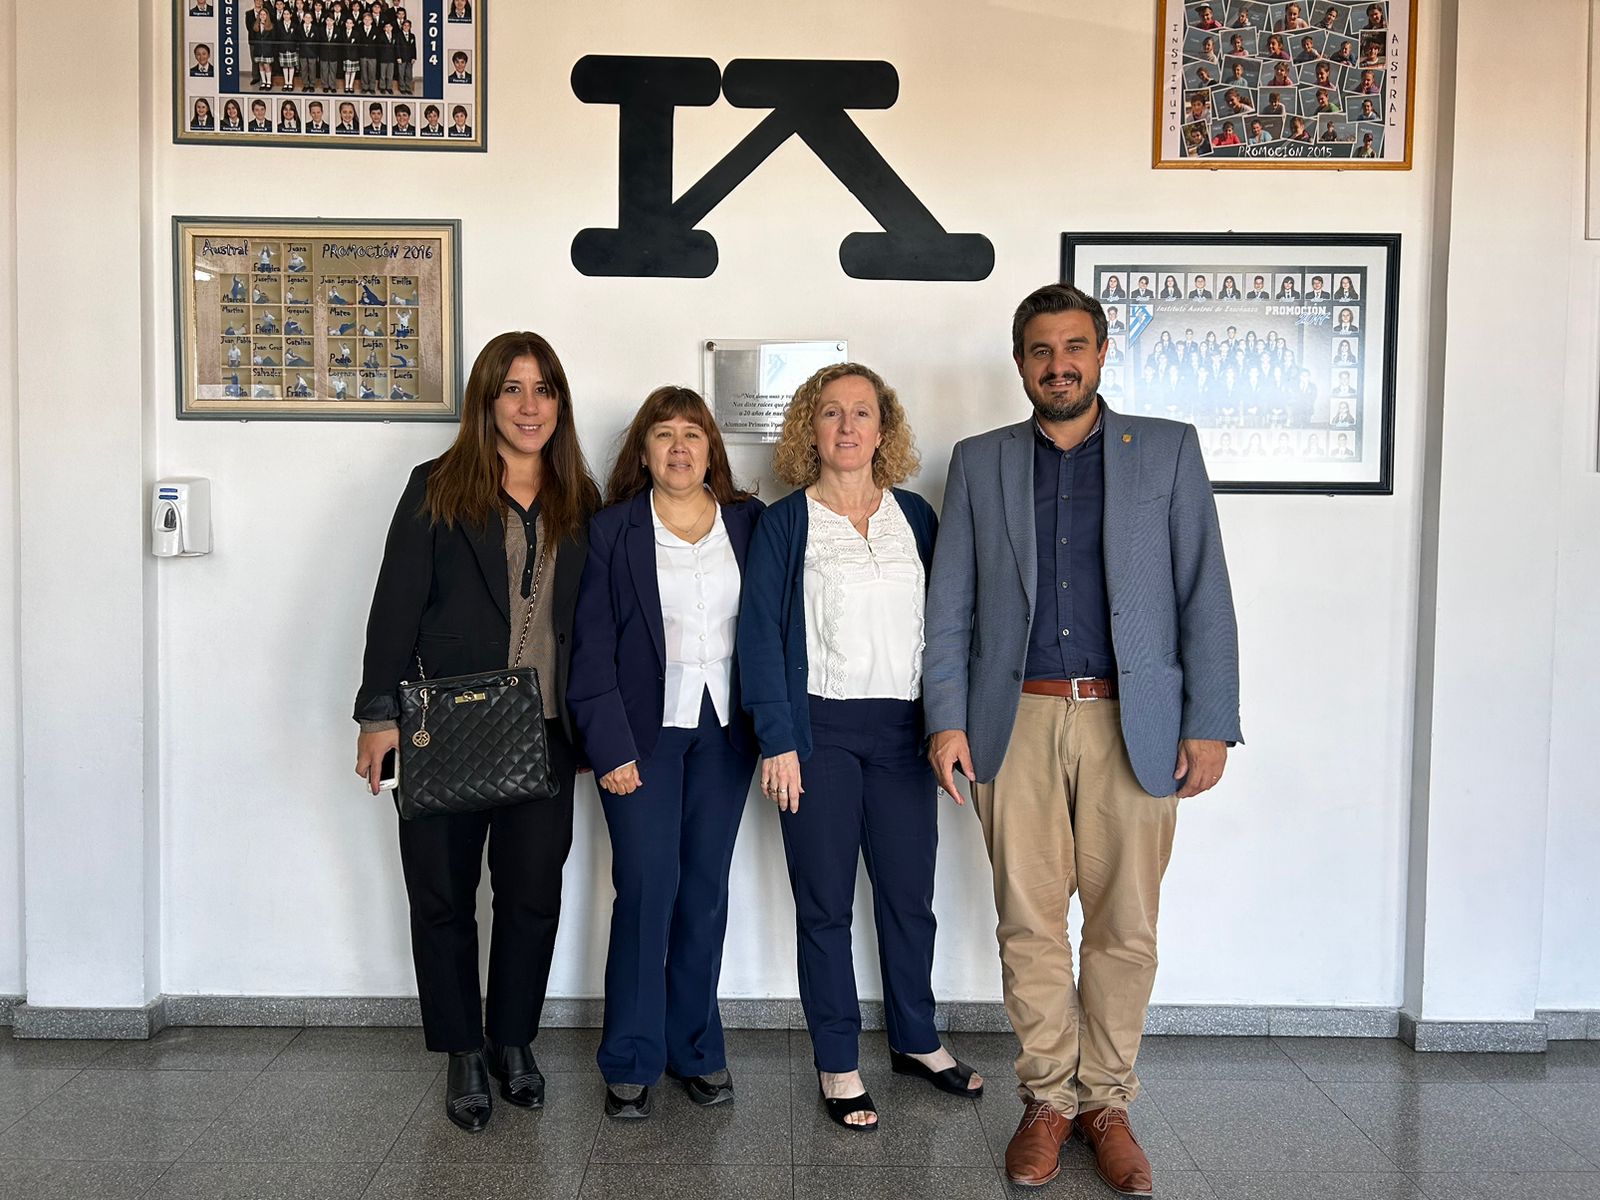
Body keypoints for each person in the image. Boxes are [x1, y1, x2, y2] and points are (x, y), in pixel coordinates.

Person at [923, 284, 1240, 1191]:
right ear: (1020, 363)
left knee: (1124, 924)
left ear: (1101, 353)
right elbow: (950, 605)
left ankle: (1106, 1102)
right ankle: (1047, 1100)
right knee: (1028, 923)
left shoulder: (1167, 450)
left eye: (1073, 348)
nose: (1057, 365)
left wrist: (1210, 722)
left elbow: (1204, 590)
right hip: (1013, 718)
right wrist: (946, 719)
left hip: (1133, 721)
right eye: (1040, 350)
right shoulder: (979, 461)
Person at [353, 331, 600, 1134]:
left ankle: (512, 1040)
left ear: (559, 404)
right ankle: (462, 1049)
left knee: (532, 896)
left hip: (545, 731)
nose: (530, 407)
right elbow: (394, 608)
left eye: (544, 390)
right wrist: (378, 716)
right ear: (487, 402)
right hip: (446, 729)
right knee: (443, 897)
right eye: (512, 389)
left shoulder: (580, 497)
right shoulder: (437, 488)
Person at [736, 362, 981, 1133]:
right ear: (810, 429)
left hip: (906, 734)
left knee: (910, 898)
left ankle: (915, 1039)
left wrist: (950, 722)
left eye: (862, 412)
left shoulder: (917, 517)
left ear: (884, 428)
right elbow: (759, 638)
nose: (847, 426)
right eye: (831, 412)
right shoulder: (786, 523)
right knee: (825, 905)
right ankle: (838, 1061)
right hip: (819, 734)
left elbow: (949, 627)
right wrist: (778, 740)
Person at [568, 387, 765, 1120]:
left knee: (704, 893)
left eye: (692, 434)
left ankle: (696, 1048)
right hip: (640, 738)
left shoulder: (749, 522)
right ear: (643, 451)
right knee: (647, 890)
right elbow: (589, 648)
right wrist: (609, 746)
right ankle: (630, 1057)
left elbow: (773, 629)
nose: (679, 448)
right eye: (663, 435)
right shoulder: (613, 530)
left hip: (725, 733)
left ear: (711, 449)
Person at [397, 19, 417, 94]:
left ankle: (408, 88)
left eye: (408, 26)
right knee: (401, 74)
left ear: (410, 27)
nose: (406, 27)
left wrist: (414, 57)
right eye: (405, 25)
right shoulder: (398, 35)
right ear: (402, 26)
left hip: (410, 58)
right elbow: (397, 47)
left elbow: (414, 47)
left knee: (409, 74)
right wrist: (398, 57)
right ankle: (402, 88)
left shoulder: (412, 36)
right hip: (401, 58)